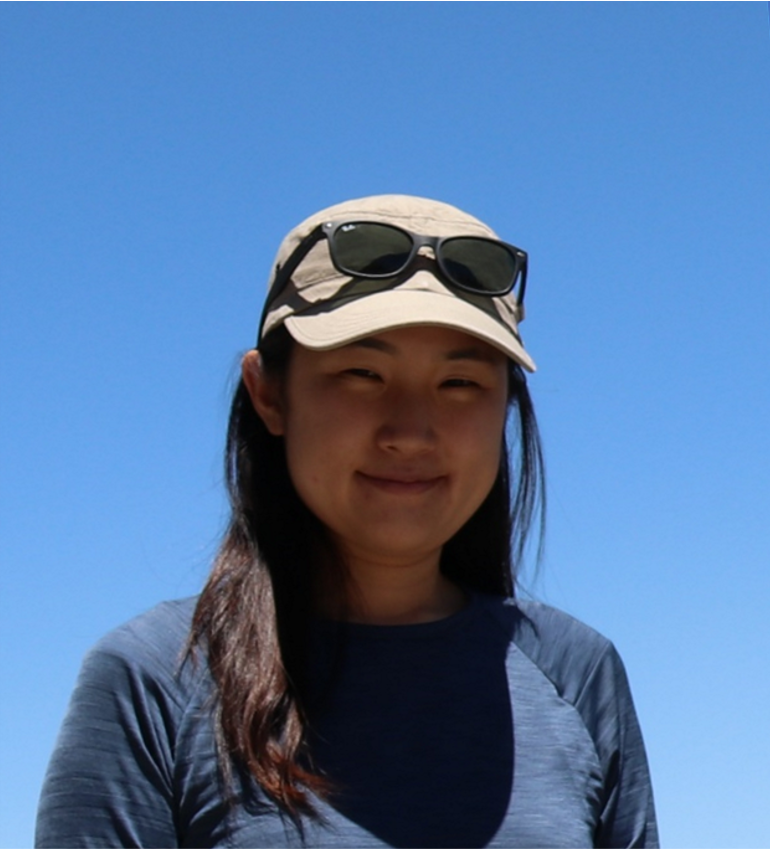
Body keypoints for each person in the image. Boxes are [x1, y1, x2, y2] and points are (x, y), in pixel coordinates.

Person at [36, 195, 659, 849]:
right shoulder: (150, 680)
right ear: (268, 393)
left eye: (460, 383)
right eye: (362, 373)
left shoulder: (578, 672)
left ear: (505, 403)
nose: (411, 432)